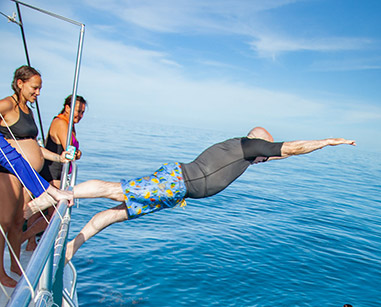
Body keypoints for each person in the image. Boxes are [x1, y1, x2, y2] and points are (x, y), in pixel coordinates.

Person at [24, 126, 356, 261]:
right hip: (175, 182)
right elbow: (294, 148)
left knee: (117, 212)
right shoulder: (248, 145)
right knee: (114, 192)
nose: (266, 159)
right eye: (266, 153)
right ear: (260, 143)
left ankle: (72, 245)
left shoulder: (242, 153)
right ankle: (55, 196)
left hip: (176, 190)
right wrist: (327, 142)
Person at [0, 65, 70, 286]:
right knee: (4, 222)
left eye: (40, 89)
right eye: (35, 88)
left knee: (18, 220)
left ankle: (14, 264)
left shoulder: (27, 111)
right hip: (9, 172)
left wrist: (60, 158)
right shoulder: (8, 104)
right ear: (20, 83)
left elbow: (34, 147)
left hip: (26, 175)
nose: (38, 93)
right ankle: (0, 274)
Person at [22, 93, 87, 244]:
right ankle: (21, 239)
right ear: (67, 108)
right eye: (78, 110)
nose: (80, 115)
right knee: (53, 216)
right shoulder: (62, 124)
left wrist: (77, 152)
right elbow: (69, 150)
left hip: (49, 172)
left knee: (40, 213)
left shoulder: (66, 123)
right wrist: (77, 153)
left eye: (83, 112)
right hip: (53, 175)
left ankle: (30, 244)